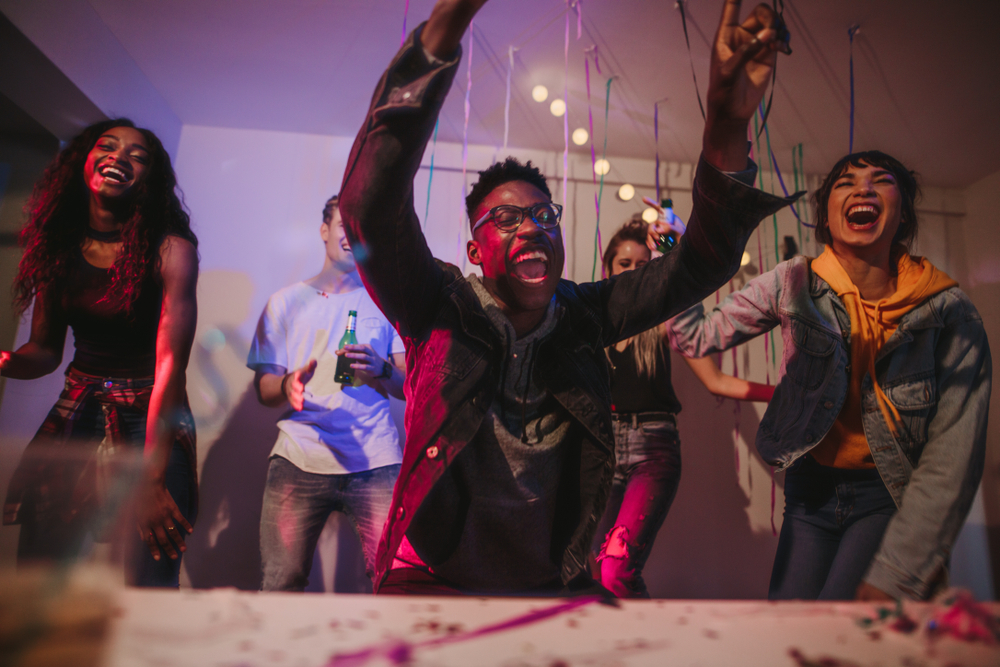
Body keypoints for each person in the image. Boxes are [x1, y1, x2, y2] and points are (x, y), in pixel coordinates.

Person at [339, 0, 796, 596]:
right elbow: (369, 211)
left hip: (553, 581)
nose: (529, 227)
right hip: (431, 575)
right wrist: (444, 29)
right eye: (504, 218)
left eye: (541, 215)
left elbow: (700, 264)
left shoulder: (586, 316)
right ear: (475, 250)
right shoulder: (439, 307)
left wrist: (727, 126)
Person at [668, 150, 991, 601]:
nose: (863, 188)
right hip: (809, 491)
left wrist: (900, 570)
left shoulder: (949, 313)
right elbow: (698, 338)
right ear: (826, 217)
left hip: (889, 492)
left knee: (847, 630)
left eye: (880, 180)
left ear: (903, 213)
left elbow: (953, 457)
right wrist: (675, 252)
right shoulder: (792, 281)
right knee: (790, 626)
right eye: (846, 181)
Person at [1, 119, 199, 587]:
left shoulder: (171, 250)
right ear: (84, 161)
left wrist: (151, 478)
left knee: (149, 577)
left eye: (138, 154)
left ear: (148, 179)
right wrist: (6, 362)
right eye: (107, 146)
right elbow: (45, 352)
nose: (120, 156)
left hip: (152, 414)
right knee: (39, 574)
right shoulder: (56, 248)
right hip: (80, 406)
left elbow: (171, 369)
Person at [594, 217, 773, 598]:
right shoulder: (595, 324)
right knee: (594, 573)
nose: (632, 272)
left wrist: (781, 393)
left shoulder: (665, 321)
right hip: (603, 451)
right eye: (624, 264)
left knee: (616, 571)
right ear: (608, 267)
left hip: (652, 450)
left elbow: (717, 382)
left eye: (643, 265)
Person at [247, 195, 406, 591]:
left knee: (395, 582)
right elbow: (265, 389)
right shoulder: (283, 302)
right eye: (343, 225)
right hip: (298, 454)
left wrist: (382, 370)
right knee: (280, 582)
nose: (352, 235)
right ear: (324, 230)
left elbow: (410, 386)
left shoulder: (390, 303)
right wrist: (287, 384)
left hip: (377, 459)